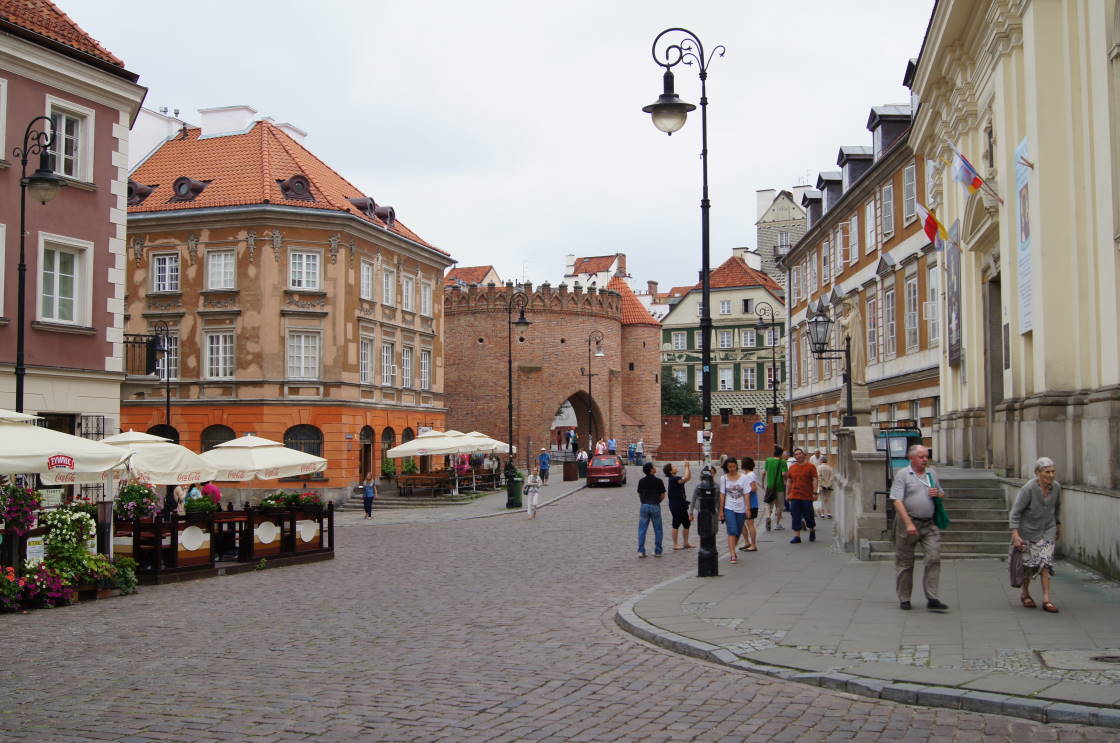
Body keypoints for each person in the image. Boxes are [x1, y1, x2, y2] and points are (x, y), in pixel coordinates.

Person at [891, 444, 948, 612]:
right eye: (921, 457)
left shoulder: (931, 473)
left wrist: (938, 494)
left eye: (926, 456)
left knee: (934, 557)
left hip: (929, 524)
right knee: (905, 562)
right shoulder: (903, 475)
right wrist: (908, 523)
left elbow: (941, 493)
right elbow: (897, 500)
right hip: (908, 523)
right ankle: (904, 598)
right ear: (911, 458)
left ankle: (932, 597)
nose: (925, 459)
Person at [1010, 457, 1062, 613]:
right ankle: (1025, 594)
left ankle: (1046, 599)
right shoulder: (1028, 489)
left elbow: (1057, 507)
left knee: (1045, 563)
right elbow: (1015, 512)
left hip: (1048, 530)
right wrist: (1015, 534)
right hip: (1028, 531)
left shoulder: (1056, 487)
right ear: (1038, 473)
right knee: (1028, 566)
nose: (1051, 475)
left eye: (1053, 472)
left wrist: (1058, 524)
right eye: (1047, 472)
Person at [718, 457, 749, 563]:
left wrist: (748, 508)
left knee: (738, 531)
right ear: (727, 467)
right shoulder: (724, 478)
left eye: (734, 466)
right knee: (732, 530)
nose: (732, 469)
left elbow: (746, 494)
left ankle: (732, 549)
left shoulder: (744, 478)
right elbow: (722, 495)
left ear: (737, 466)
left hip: (741, 508)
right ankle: (732, 554)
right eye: (730, 467)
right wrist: (721, 511)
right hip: (729, 507)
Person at [785, 448, 818, 544]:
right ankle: (797, 536)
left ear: (804, 455)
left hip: (807, 495)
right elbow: (789, 481)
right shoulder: (792, 467)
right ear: (795, 456)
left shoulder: (811, 466)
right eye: (796, 454)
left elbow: (814, 479)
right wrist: (787, 494)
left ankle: (812, 529)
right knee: (795, 515)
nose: (798, 455)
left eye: (800, 453)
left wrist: (815, 492)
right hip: (794, 495)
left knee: (809, 515)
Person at [636, 461, 666, 557]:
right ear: (651, 470)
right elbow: (663, 495)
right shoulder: (659, 481)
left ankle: (641, 551)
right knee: (658, 529)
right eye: (653, 467)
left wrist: (643, 501)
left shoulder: (641, 481)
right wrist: (657, 501)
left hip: (644, 505)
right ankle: (658, 551)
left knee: (642, 529)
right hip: (655, 505)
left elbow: (639, 494)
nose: (655, 468)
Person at [664, 461, 693, 550]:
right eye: (673, 466)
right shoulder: (673, 479)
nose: (675, 467)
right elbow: (686, 477)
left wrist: (688, 467)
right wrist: (686, 467)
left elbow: (688, 478)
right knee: (676, 523)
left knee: (686, 523)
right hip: (676, 505)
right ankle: (675, 544)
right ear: (670, 471)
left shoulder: (676, 478)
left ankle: (686, 543)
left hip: (681, 504)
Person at [737, 457, 760, 552]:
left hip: (751, 503)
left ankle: (753, 545)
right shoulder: (747, 475)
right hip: (745, 503)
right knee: (742, 523)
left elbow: (753, 488)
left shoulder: (750, 475)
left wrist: (743, 492)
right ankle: (747, 542)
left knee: (750, 524)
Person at [763, 446, 788, 532]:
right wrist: (787, 479)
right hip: (780, 487)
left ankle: (768, 517)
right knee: (779, 506)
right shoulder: (783, 462)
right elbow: (784, 474)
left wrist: (762, 483)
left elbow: (764, 473)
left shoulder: (768, 460)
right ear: (781, 454)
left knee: (769, 503)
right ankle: (777, 524)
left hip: (770, 486)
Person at [816, 454, 834, 519]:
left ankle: (822, 514)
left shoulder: (819, 467)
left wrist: (822, 484)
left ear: (821, 461)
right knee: (828, 499)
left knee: (822, 499)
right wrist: (828, 484)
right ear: (826, 461)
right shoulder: (830, 468)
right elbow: (831, 478)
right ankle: (829, 513)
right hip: (829, 486)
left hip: (821, 486)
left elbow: (818, 477)